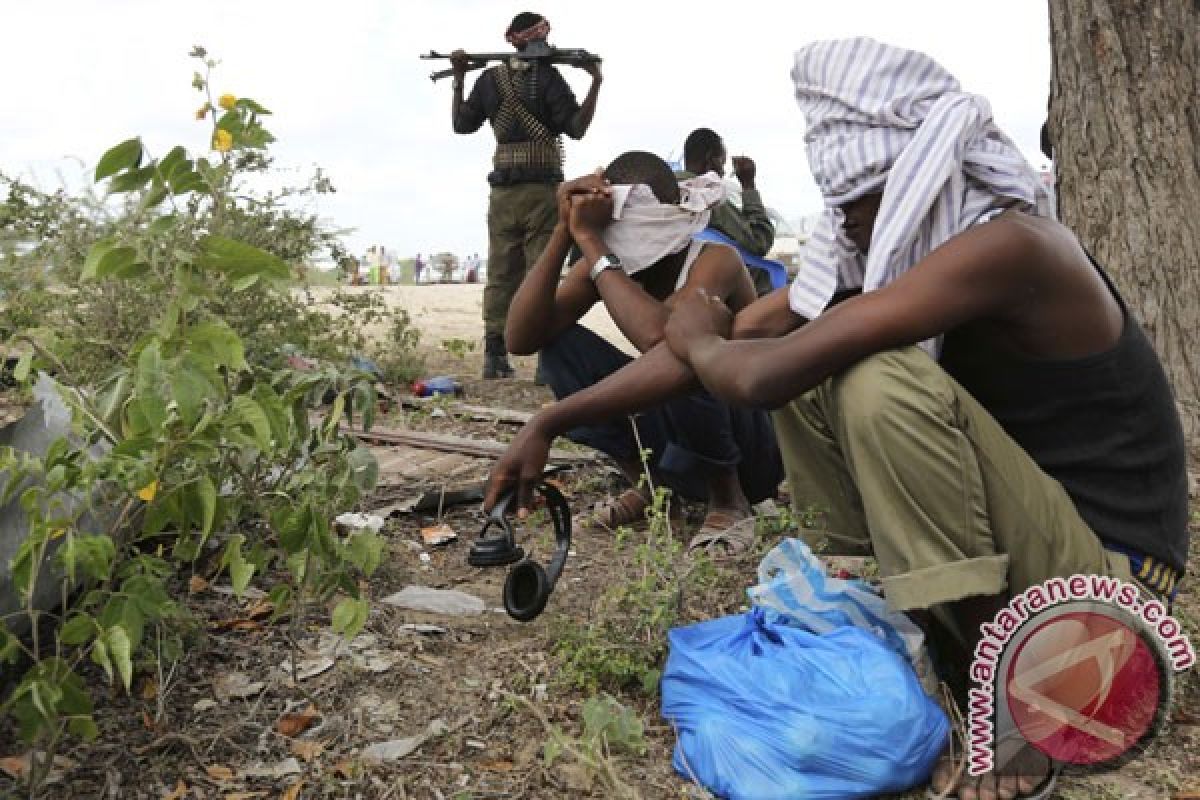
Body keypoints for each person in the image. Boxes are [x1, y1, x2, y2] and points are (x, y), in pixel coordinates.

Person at [662, 38, 1188, 799]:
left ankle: (1018, 708)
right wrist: (549, 426)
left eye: (861, 204)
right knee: (821, 361)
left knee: (871, 374)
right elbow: (750, 340)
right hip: (1034, 552)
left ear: (919, 179)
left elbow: (755, 368)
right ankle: (871, 631)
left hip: (1104, 595)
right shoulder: (894, 253)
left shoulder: (1015, 246)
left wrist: (698, 333)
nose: (850, 226)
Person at [484, 150, 783, 556]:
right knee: (559, 348)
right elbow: (521, 337)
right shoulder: (607, 265)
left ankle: (729, 501)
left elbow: (665, 339)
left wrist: (591, 243)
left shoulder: (716, 261)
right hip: (678, 438)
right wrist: (563, 232)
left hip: (751, 450)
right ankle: (653, 485)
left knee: (688, 351)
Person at [450, 11, 604, 379]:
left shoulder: (488, 79)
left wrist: (458, 79)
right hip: (542, 192)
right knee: (543, 271)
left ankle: (494, 355)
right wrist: (596, 82)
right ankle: (546, 362)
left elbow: (461, 124)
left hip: (503, 194)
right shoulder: (547, 77)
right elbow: (577, 128)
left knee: (501, 272)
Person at [677, 128, 777, 296]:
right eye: (722, 164)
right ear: (710, 160)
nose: (723, 173)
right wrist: (748, 185)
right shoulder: (706, 195)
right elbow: (759, 242)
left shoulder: (666, 189)